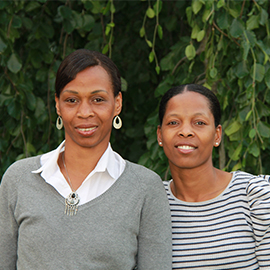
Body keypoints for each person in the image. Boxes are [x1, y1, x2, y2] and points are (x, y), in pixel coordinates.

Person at [0, 49, 172, 270]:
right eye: (72, 100)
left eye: (98, 99)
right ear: (57, 105)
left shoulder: (145, 188)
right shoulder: (19, 179)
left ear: (117, 103)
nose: (84, 112)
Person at [157, 84, 270, 269]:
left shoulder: (255, 196)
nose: (185, 131)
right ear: (160, 135)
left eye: (199, 123)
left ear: (217, 134)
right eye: (173, 122)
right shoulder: (150, 201)